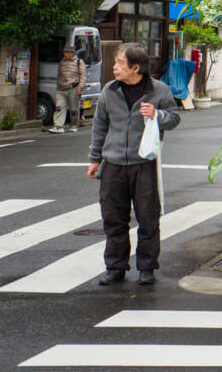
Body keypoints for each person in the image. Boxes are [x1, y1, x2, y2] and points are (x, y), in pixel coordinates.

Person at [86, 42, 181, 285]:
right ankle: (115, 267)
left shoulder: (158, 90)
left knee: (148, 218)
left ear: (135, 68)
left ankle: (147, 268)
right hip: (113, 164)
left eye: (120, 63)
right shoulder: (110, 90)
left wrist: (157, 115)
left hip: (144, 163)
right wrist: (94, 159)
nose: (115, 67)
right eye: (116, 62)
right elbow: (100, 127)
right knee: (113, 218)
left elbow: (174, 118)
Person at [49, 44, 86, 134]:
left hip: (73, 88)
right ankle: (58, 126)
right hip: (61, 88)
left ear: (72, 53)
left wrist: (80, 87)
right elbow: (59, 75)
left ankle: (74, 124)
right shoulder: (62, 61)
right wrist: (58, 87)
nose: (65, 54)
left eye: (67, 52)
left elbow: (83, 76)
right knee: (59, 107)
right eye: (64, 52)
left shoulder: (79, 62)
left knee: (74, 109)